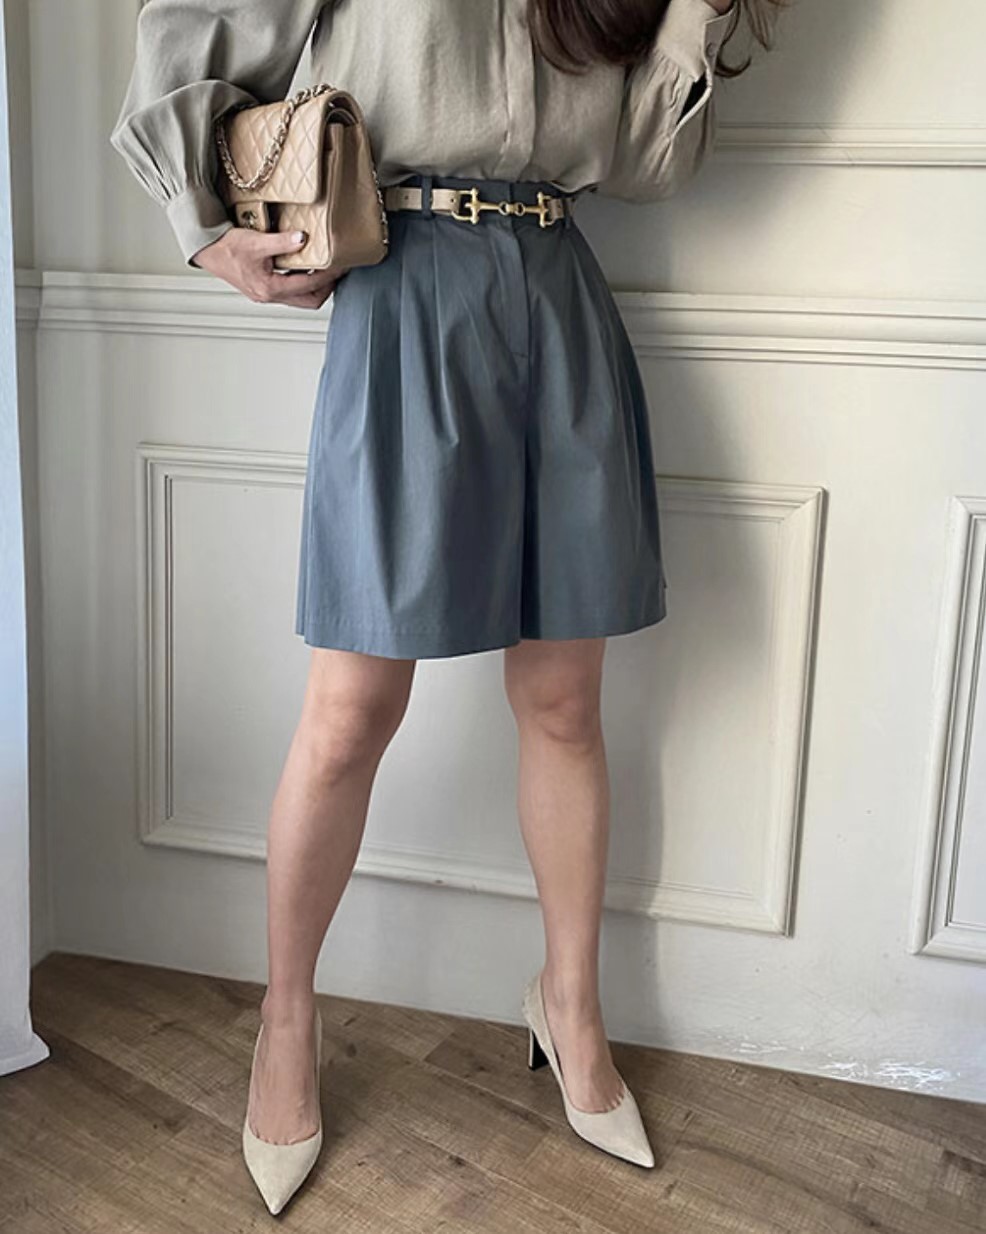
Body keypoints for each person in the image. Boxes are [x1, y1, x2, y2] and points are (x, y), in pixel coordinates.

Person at [110, 0, 781, 1214]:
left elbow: (643, 161)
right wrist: (202, 230)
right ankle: (286, 1020)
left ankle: (568, 1005)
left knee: (564, 701)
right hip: (402, 284)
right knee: (350, 708)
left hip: (560, 292)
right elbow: (197, 24)